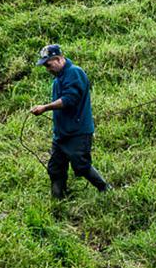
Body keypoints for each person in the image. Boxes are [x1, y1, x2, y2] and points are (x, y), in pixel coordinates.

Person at [30, 44, 110, 199]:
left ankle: (105, 188)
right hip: (61, 133)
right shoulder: (57, 80)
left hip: (78, 132)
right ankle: (58, 198)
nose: (47, 69)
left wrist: (45, 108)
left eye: (48, 64)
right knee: (55, 168)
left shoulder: (75, 73)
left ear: (59, 59)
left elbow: (69, 100)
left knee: (81, 165)